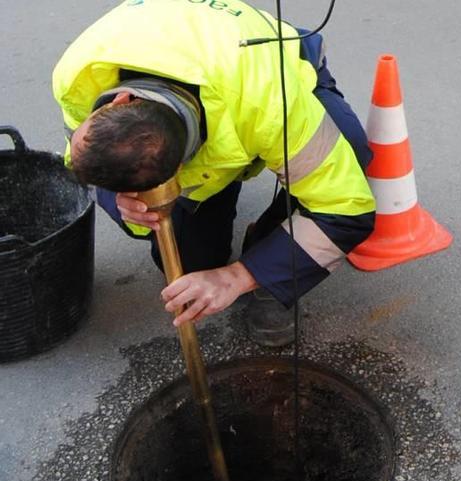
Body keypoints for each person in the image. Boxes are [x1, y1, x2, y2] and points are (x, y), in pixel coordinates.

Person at [52, 0, 375, 345]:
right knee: (193, 267)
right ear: (119, 101)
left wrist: (239, 276)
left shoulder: (269, 104)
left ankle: (269, 243)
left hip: (272, 59)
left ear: (180, 170)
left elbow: (346, 210)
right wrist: (119, 201)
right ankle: (224, 208)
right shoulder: (79, 74)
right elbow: (83, 153)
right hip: (200, 69)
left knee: (347, 152)